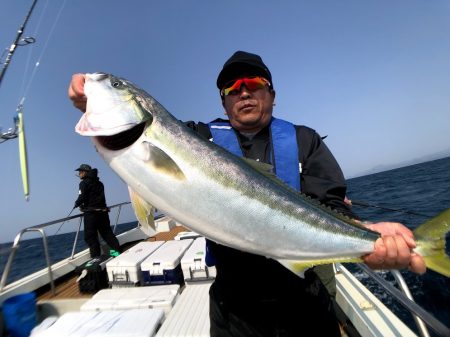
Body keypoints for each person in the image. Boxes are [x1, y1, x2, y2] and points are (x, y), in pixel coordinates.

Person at [68, 51, 425, 337]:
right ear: (223, 103)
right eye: (231, 88)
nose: (243, 91)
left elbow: (331, 204)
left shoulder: (305, 141)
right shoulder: (195, 137)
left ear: (271, 93)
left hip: (306, 301)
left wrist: (369, 240)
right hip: (234, 309)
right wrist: (90, 99)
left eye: (253, 83)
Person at [74, 164, 121, 258]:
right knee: (108, 235)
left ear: (85, 172)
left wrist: (76, 204)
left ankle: (96, 258)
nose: (79, 174)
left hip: (91, 215)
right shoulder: (100, 183)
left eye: (80, 172)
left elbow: (81, 197)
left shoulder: (83, 183)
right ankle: (117, 254)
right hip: (103, 213)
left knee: (90, 237)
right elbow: (96, 198)